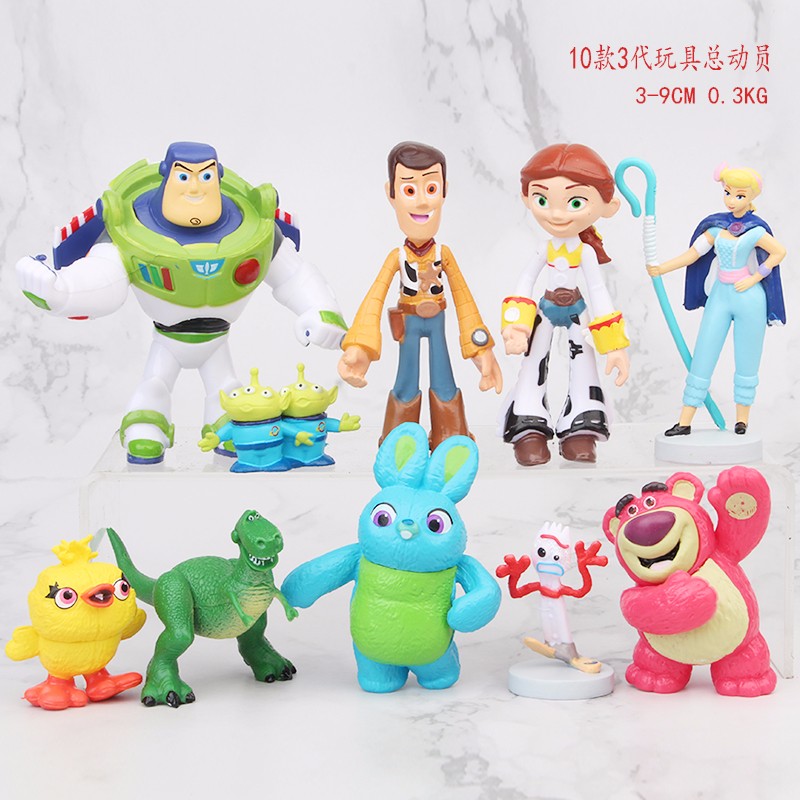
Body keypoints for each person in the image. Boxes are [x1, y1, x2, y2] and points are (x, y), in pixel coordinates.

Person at [16, 142, 346, 464]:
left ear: (217, 176)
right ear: (167, 175)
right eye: (184, 177)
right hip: (168, 338)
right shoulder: (131, 227)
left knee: (225, 389)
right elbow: (103, 279)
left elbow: (294, 275)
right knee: (155, 384)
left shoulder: (254, 229)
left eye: (206, 177)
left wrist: (320, 312)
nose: (195, 189)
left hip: (216, 338)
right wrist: (59, 292)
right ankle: (146, 425)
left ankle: (225, 425)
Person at [338, 141, 501, 447]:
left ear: (444, 191)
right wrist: (360, 347)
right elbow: (374, 300)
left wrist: (480, 348)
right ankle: (400, 440)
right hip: (408, 322)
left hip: (437, 319)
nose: (423, 202)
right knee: (406, 377)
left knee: (443, 375)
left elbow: (465, 301)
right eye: (410, 190)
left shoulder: (443, 254)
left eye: (431, 188)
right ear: (391, 194)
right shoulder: (397, 256)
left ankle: (451, 435)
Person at [501, 143, 630, 465]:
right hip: (545, 308)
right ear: (527, 197)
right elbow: (525, 281)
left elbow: (598, 289)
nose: (557, 214)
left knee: (584, 364)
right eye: (543, 200)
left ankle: (580, 427)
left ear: (608, 207)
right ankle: (528, 426)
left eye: (574, 202)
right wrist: (516, 325)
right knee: (533, 363)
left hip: (576, 310)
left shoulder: (584, 252)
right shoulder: (544, 248)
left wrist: (614, 344)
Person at [647, 164, 786, 436]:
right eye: (727, 193)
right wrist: (662, 268)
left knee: (747, 358)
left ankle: (742, 420)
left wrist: (756, 277)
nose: (731, 200)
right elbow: (693, 254)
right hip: (720, 296)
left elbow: (779, 252)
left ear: (751, 197)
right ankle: (685, 420)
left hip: (750, 299)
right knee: (703, 354)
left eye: (739, 195)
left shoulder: (756, 230)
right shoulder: (716, 228)